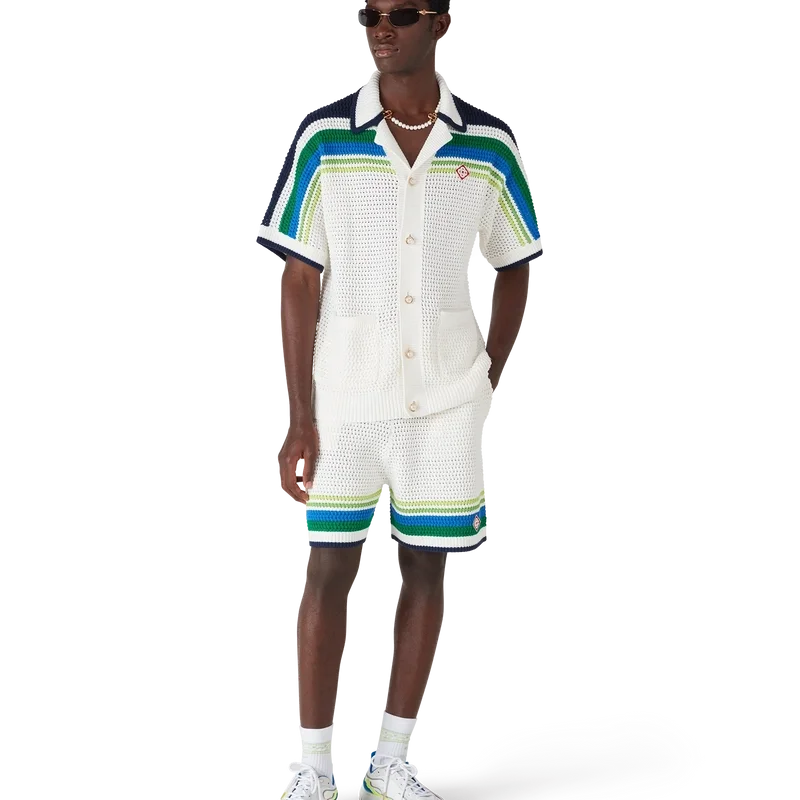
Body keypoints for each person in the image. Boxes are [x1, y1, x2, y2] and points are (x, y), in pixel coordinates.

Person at [258, 1, 543, 797]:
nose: (382, 29)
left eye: (403, 14)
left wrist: (487, 369)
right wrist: (300, 418)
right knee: (327, 567)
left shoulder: (487, 145)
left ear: (441, 24)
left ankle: (392, 762)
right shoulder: (326, 137)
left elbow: (516, 259)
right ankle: (312, 765)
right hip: (347, 398)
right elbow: (299, 277)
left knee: (425, 566)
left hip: (447, 403)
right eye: (372, 14)